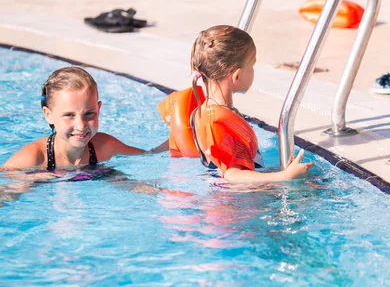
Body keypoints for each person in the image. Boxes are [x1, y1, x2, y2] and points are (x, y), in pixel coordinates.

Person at [161, 25, 313, 183]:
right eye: (252, 66)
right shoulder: (219, 121)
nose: (254, 71)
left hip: (225, 198)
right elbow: (232, 175)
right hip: (237, 204)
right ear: (237, 76)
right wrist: (284, 176)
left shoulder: (199, 112)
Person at [1, 67, 168, 171]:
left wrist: (175, 140)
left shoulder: (104, 146)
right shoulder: (34, 157)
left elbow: (148, 155)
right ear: (48, 115)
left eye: (89, 114)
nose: (81, 125)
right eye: (69, 115)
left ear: (99, 109)